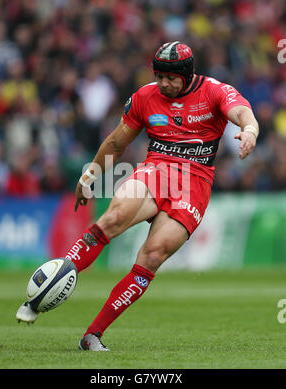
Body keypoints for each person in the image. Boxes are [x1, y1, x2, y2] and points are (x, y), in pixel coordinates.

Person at [16, 41, 259, 351]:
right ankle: (49, 287)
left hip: (194, 183)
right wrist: (90, 175)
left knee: (153, 256)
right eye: (160, 77)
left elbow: (242, 112)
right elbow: (117, 143)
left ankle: (93, 335)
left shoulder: (214, 91)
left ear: (187, 75)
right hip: (156, 169)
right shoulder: (145, 97)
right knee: (114, 217)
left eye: (171, 78)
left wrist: (249, 130)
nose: (164, 84)